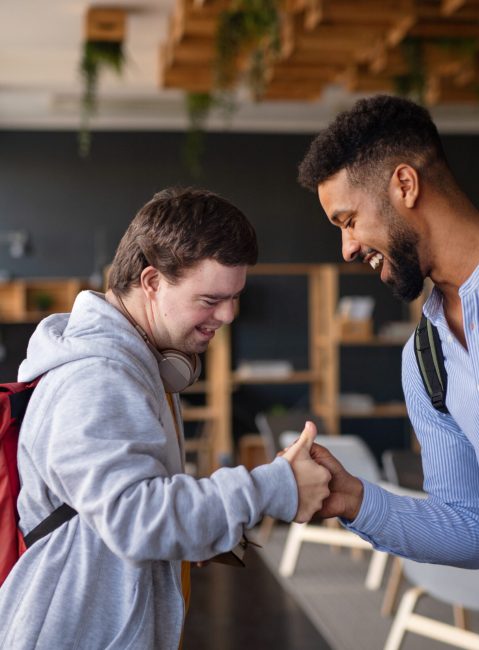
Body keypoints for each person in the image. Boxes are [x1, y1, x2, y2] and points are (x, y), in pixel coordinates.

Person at [297, 94, 479, 648]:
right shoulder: (424, 358)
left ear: (404, 185)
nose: (345, 248)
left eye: (349, 220)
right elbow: (470, 529)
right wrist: (357, 500)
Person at [0, 187, 331, 649]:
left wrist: (194, 529)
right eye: (211, 299)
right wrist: (276, 487)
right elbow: (136, 517)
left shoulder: (139, 362)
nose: (228, 315)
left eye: (235, 297)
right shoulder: (99, 376)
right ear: (152, 282)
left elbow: (127, 511)